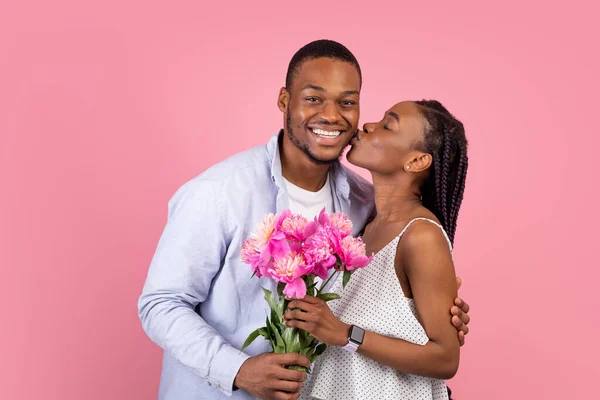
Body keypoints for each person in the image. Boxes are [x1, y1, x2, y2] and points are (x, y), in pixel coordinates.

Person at [138, 40, 471, 400]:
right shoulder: (218, 193)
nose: (331, 115)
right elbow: (162, 303)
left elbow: (389, 310)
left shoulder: (365, 205)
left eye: (347, 102)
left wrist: (431, 316)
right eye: (313, 98)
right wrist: (237, 369)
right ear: (284, 101)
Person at [285, 100, 467, 399]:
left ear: (417, 161)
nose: (368, 126)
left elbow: (446, 358)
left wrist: (345, 334)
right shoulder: (364, 225)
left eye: (388, 125)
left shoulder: (420, 236)